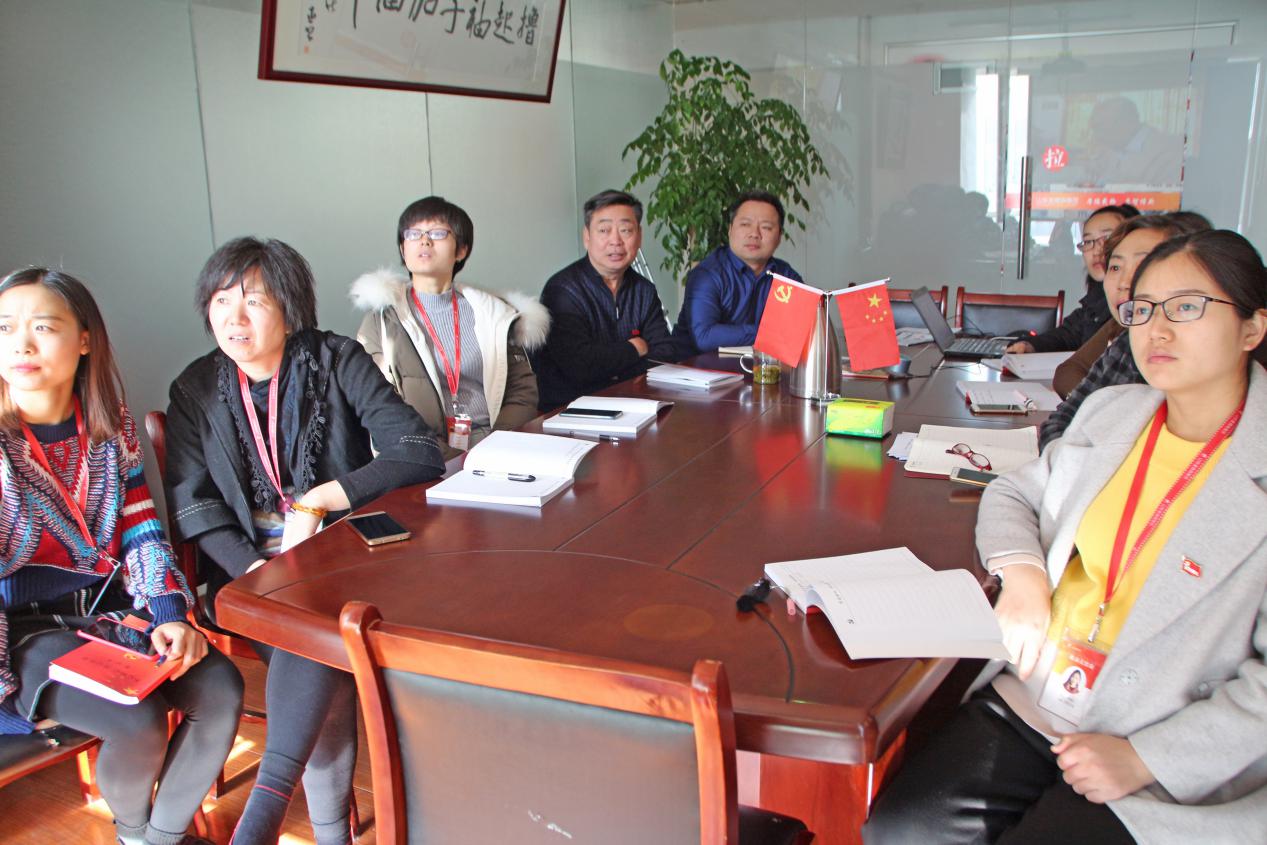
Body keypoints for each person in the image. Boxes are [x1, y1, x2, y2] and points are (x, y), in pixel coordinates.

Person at [865, 229, 1267, 844]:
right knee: (901, 829)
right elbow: (1012, 491)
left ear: (1252, 328)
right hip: (1040, 692)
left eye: (1187, 307)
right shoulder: (1116, 411)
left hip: (1157, 733)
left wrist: (1148, 758)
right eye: (1143, 309)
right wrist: (1024, 574)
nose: (1157, 330)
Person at [164, 238, 445, 845]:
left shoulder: (337, 359)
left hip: (338, 557)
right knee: (322, 645)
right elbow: (195, 506)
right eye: (220, 301)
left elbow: (418, 451)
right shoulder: (195, 388)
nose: (234, 318)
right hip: (246, 571)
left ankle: (274, 822)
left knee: (317, 632)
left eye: (254, 301)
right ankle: (320, 831)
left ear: (290, 308)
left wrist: (320, 499)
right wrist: (260, 575)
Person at [0, 268, 242, 845]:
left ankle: (157, 839)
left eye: (42, 327)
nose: (21, 345)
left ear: (85, 339)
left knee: (221, 689)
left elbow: (141, 530)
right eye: (4, 328)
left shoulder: (110, 426)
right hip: (20, 633)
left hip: (108, 615)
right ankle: (138, 835)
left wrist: (170, 615)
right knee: (137, 719)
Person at [351, 196, 550, 460]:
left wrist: (497, 447)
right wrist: (450, 459)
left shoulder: (495, 314)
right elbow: (382, 406)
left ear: (461, 250)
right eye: (413, 234)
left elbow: (521, 390)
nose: (424, 241)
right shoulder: (382, 322)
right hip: (424, 456)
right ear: (403, 249)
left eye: (437, 233)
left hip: (497, 446)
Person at [1041, 212, 1212, 448]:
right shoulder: (1125, 341)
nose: (1124, 282)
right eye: (1115, 267)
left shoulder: (1201, 356)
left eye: (1143, 265)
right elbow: (1058, 422)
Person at [534, 189, 677, 410]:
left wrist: (609, 366)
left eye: (625, 230)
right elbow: (580, 366)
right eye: (604, 230)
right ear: (587, 237)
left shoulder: (644, 290)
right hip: (572, 411)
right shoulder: (563, 290)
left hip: (635, 403)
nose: (615, 241)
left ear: (639, 236)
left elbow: (665, 355)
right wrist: (634, 348)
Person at [672, 191, 805, 355]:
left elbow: (801, 332)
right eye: (745, 224)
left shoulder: (786, 277)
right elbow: (705, 337)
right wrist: (768, 333)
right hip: (693, 367)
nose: (754, 234)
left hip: (757, 367)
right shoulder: (707, 274)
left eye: (766, 227)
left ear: (779, 237)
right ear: (730, 230)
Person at [1007, 204, 1138, 355]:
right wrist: (1030, 345)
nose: (1097, 251)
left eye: (1107, 238)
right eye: (1088, 241)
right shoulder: (1096, 298)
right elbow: (1069, 334)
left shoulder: (1136, 305)